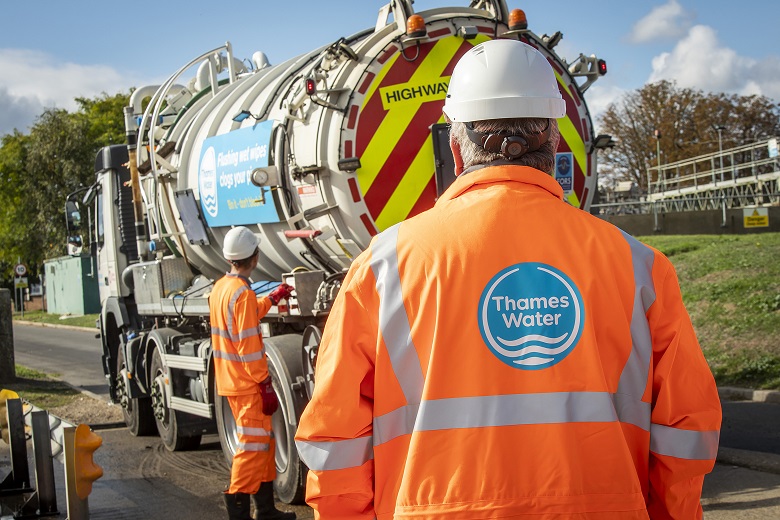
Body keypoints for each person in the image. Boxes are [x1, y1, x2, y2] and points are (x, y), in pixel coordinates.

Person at [295, 39, 722, 519]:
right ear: (556, 143)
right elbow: (687, 429)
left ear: (456, 150)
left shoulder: (383, 266)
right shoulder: (639, 266)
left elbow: (335, 439)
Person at [210, 225, 296, 520]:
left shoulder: (223, 288)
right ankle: (239, 510)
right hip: (247, 384)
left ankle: (267, 510)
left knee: (264, 443)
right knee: (252, 447)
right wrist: (265, 383)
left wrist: (272, 299)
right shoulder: (241, 293)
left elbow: (243, 319)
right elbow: (248, 344)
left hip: (232, 381)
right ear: (255, 257)